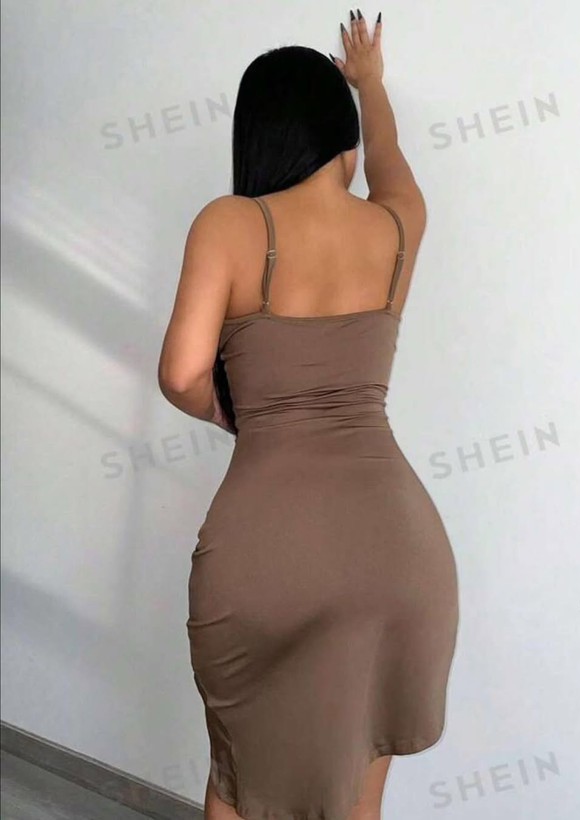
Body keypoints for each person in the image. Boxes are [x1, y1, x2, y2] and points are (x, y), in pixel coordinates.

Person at [158, 11, 459, 820]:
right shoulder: (397, 225)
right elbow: (388, 158)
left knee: (241, 780)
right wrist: (371, 85)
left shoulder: (231, 224)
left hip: (269, 556)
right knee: (359, 781)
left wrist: (236, 415)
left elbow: (181, 373)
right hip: (398, 553)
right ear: (344, 142)